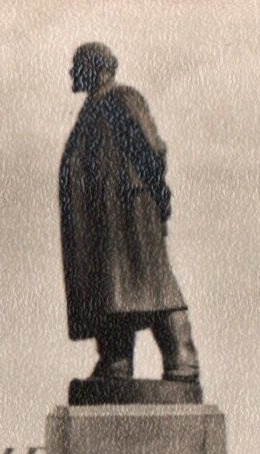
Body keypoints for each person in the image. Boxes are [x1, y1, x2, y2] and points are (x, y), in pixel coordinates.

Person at [59, 42, 199, 384]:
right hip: (105, 218)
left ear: (97, 67)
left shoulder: (122, 98)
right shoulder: (94, 107)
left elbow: (153, 146)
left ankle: (181, 357)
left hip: (129, 211)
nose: (71, 73)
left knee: (152, 283)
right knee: (114, 287)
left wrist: (151, 197)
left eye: (77, 65)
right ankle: (116, 362)